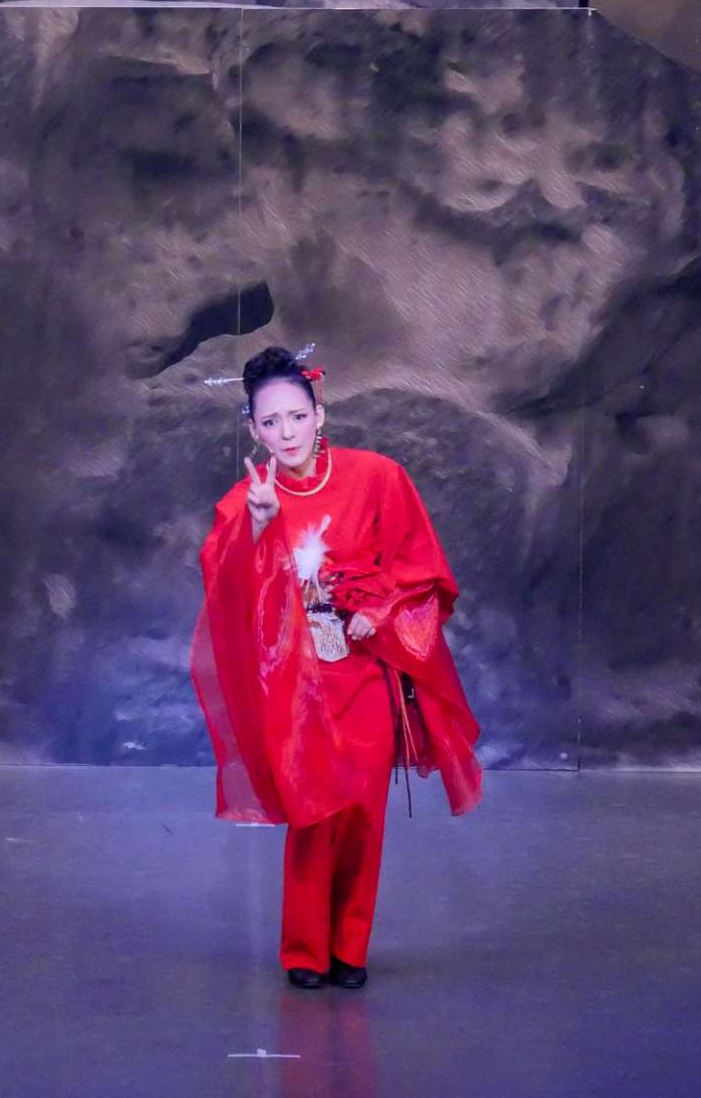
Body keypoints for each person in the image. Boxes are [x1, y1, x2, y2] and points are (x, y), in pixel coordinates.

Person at [191, 345, 482, 990]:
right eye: (271, 422)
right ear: (253, 430)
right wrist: (260, 528)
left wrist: (378, 609)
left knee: (363, 814)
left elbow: (422, 569)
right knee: (312, 810)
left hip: (363, 675)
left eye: (298, 417)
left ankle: (350, 948)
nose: (287, 433)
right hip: (295, 685)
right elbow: (228, 595)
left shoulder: (377, 476)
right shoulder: (245, 501)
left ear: (319, 414)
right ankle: (304, 953)